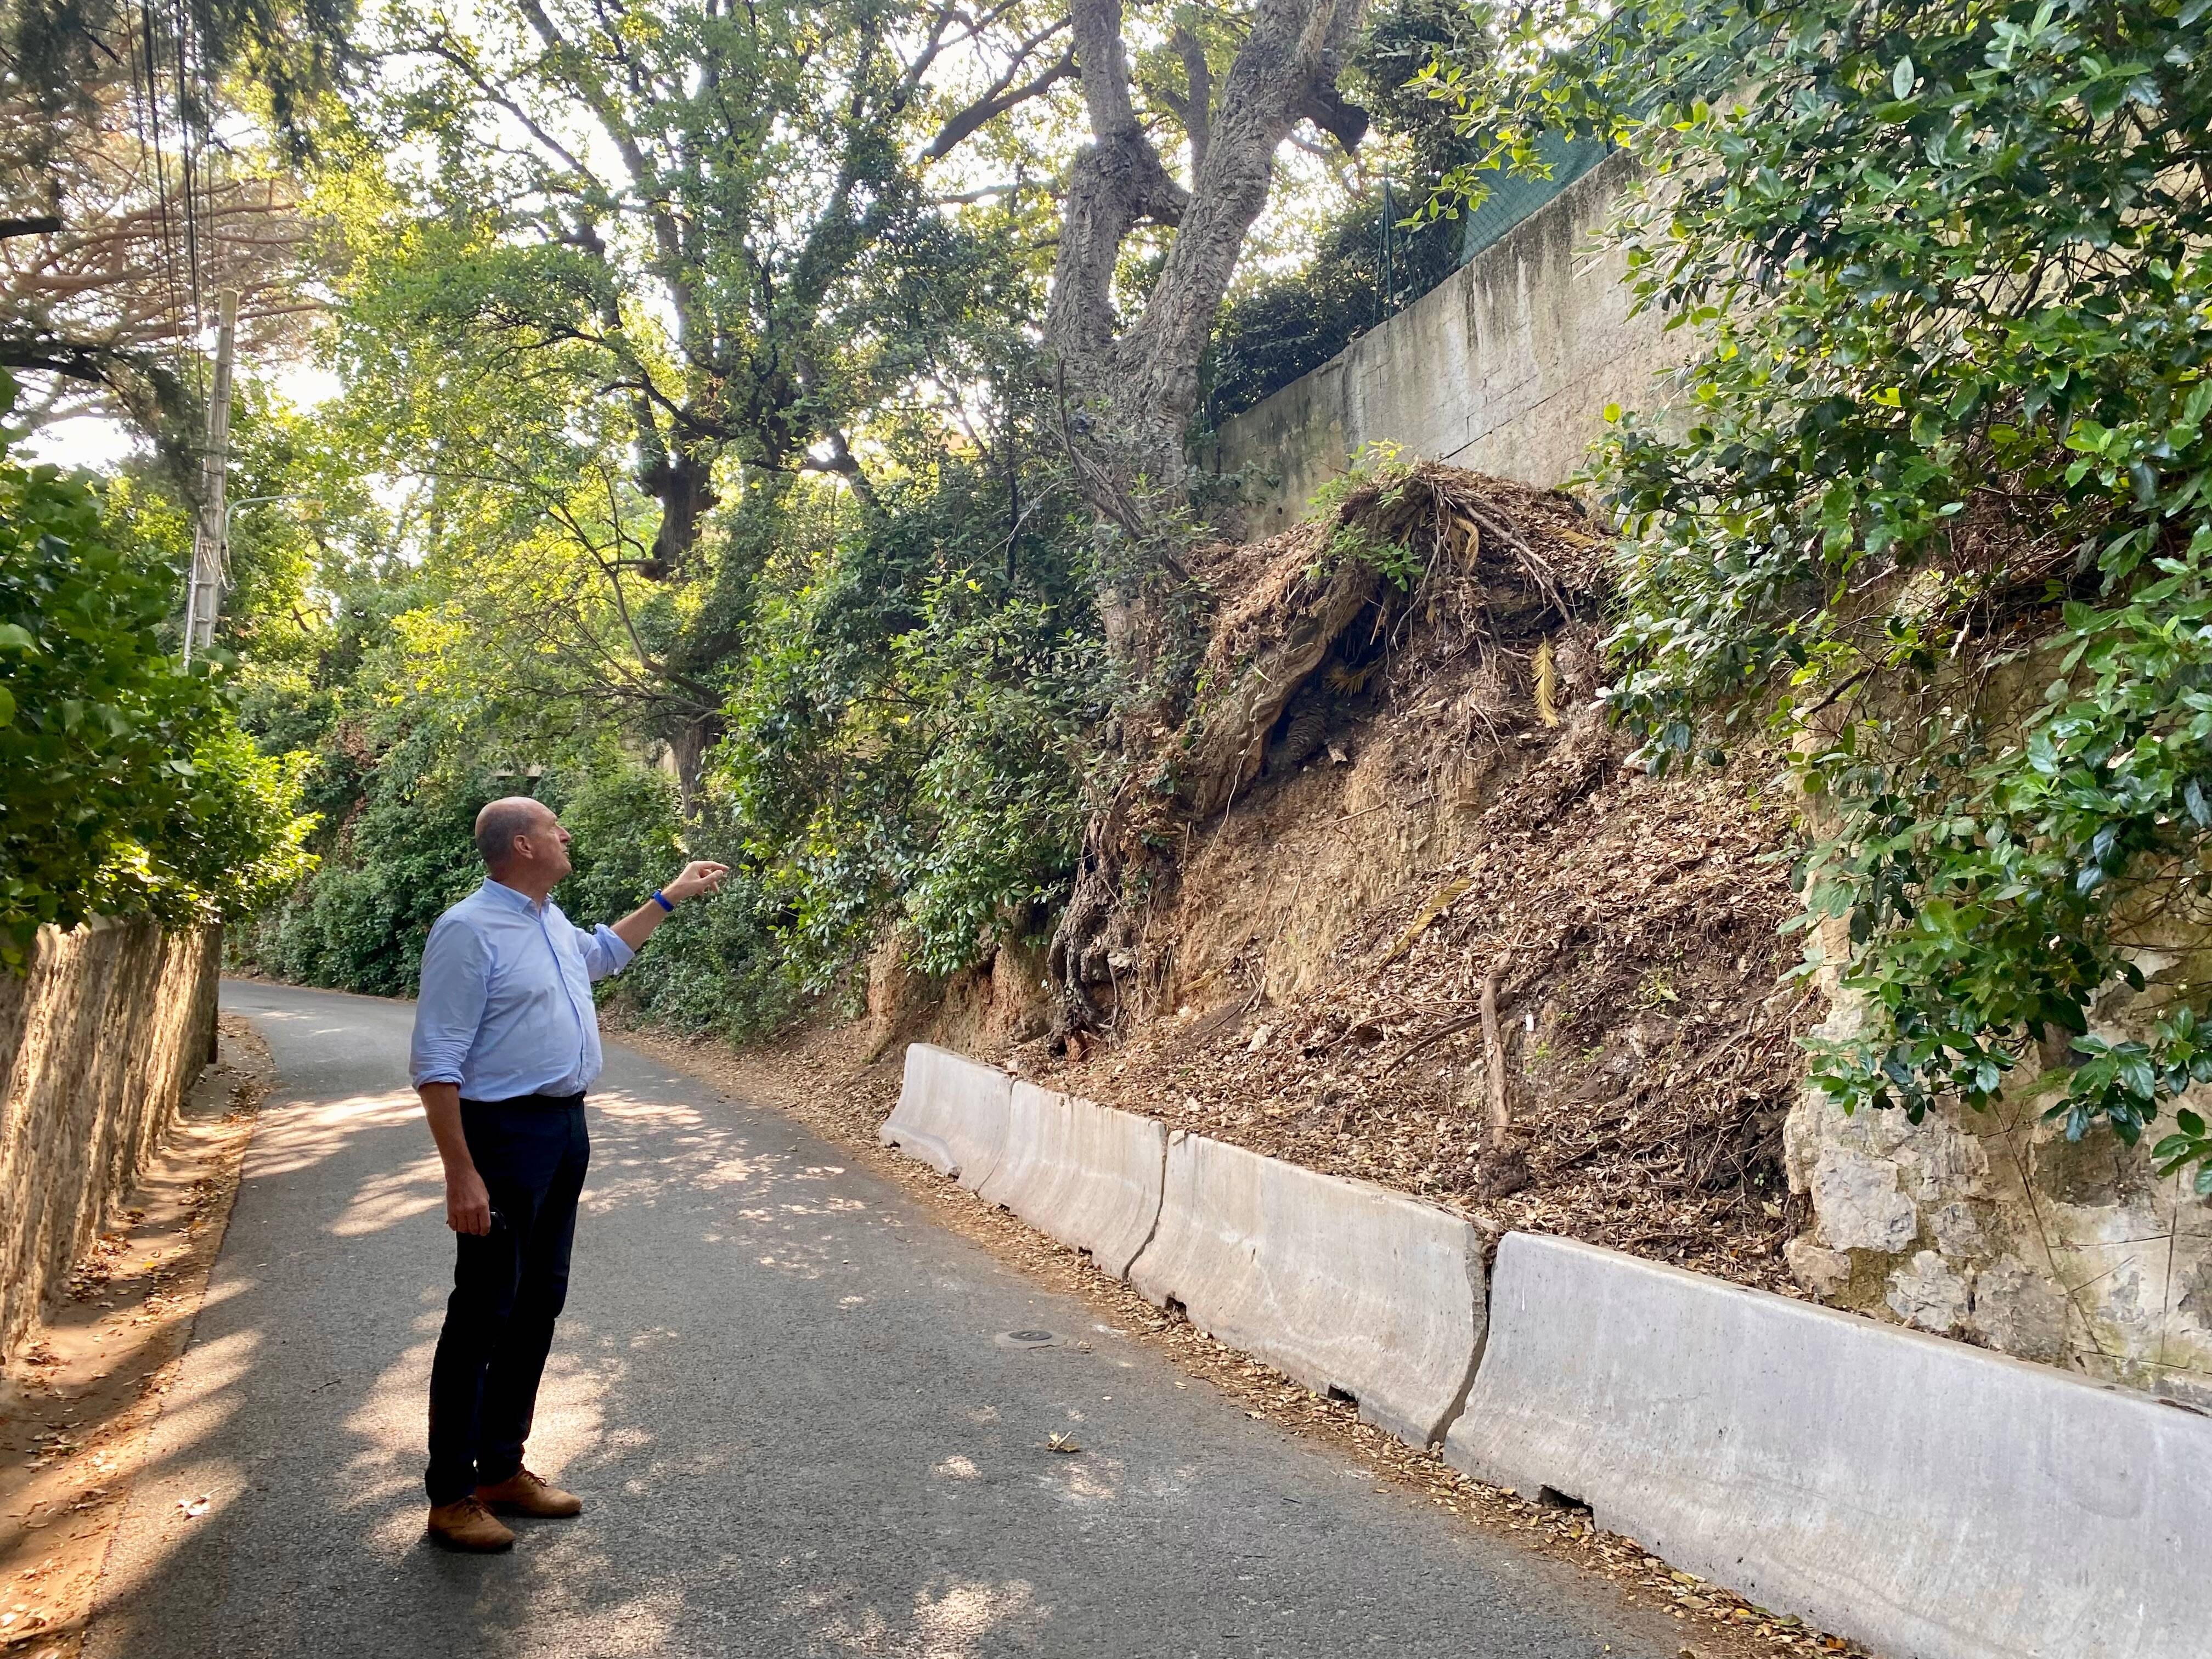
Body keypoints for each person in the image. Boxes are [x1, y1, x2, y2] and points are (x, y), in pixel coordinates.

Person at [408, 795, 728, 1551]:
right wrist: (461, 1173)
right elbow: (436, 1062)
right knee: (483, 1310)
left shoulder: (548, 920)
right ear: (522, 845)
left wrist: (669, 897)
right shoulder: (467, 931)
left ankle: (499, 1469)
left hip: (563, 1129)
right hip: (501, 1135)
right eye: (555, 828)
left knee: (537, 1302)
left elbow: (603, 954)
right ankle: (451, 1495)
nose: (567, 834)